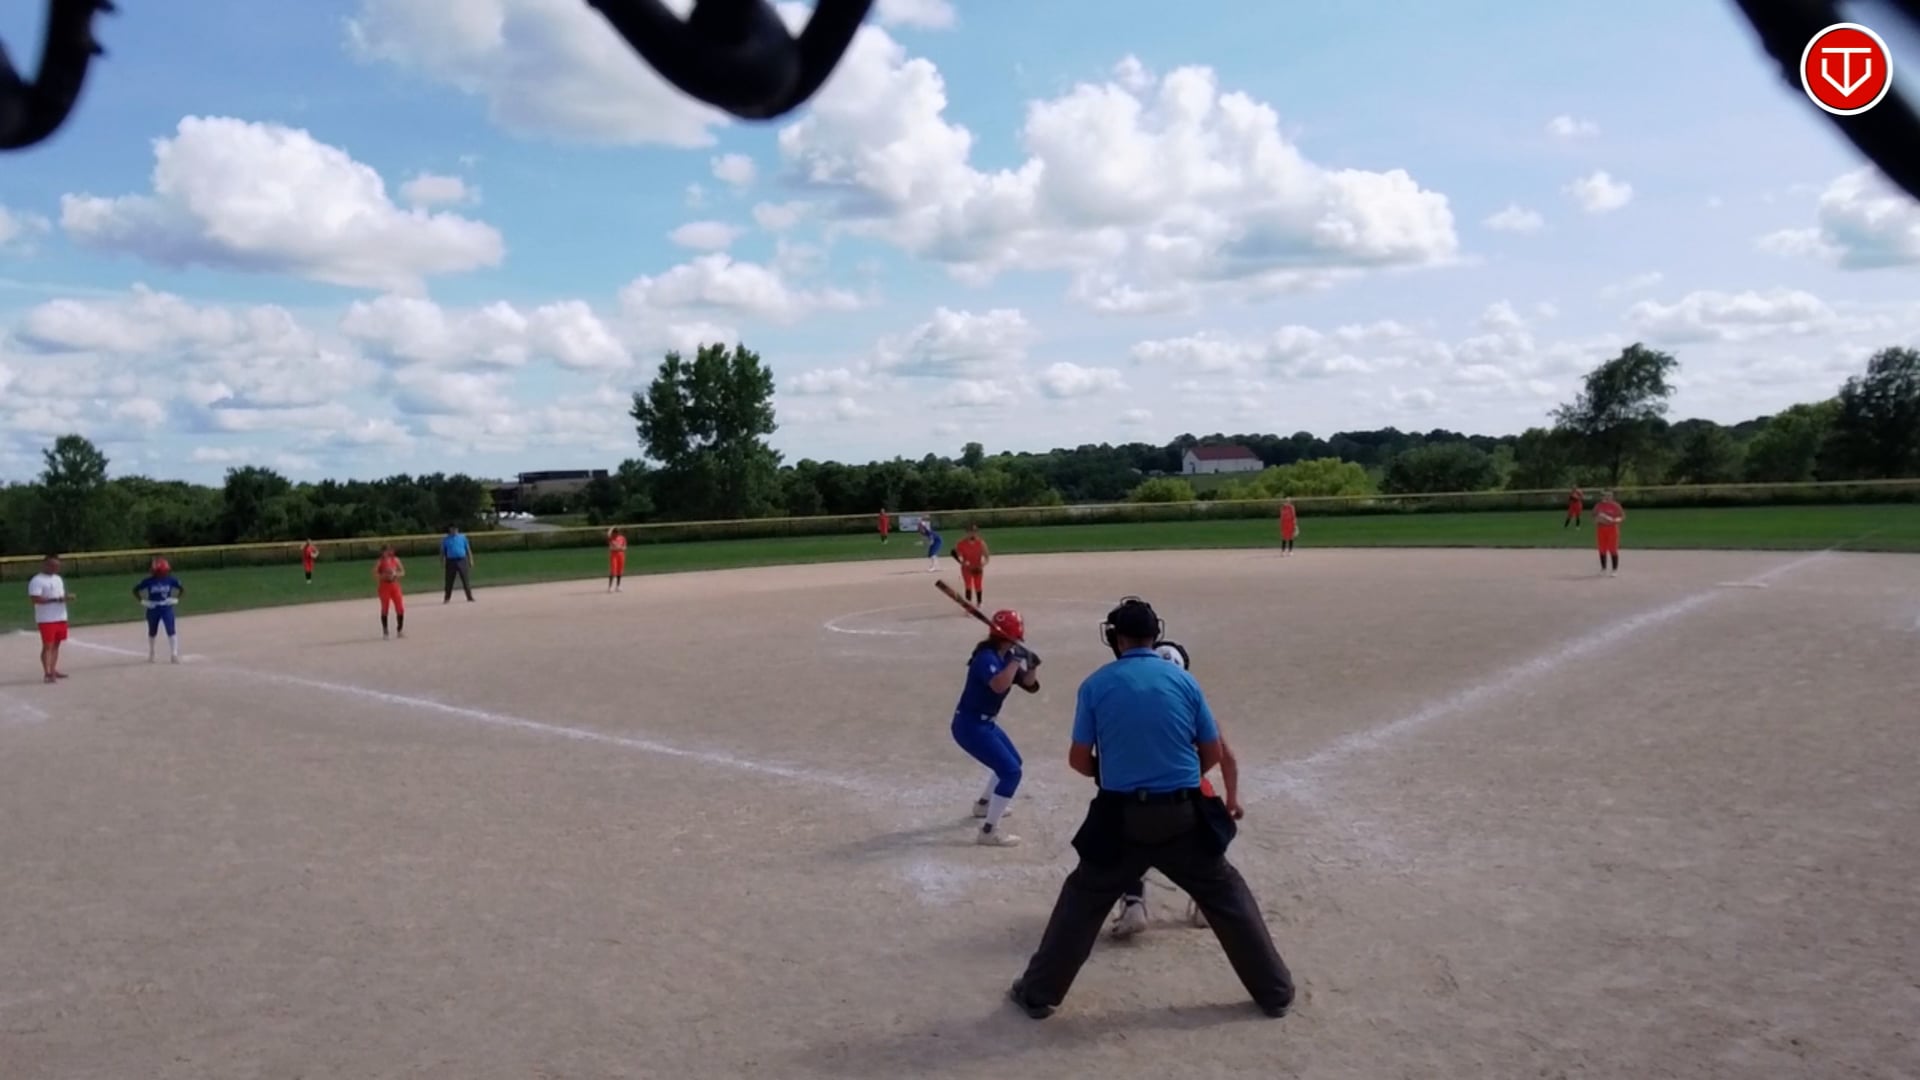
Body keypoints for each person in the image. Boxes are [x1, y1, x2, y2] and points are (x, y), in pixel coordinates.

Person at [1008, 596, 1294, 1021]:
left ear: (1116, 639)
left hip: (1120, 818)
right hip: (1184, 815)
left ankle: (1037, 994)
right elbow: (1213, 752)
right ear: (1154, 635)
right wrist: (1175, 776)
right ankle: (1275, 992)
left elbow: (1079, 760)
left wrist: (1116, 774)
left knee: (1082, 901)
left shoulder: (1096, 684)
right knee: (1227, 895)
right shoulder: (1184, 681)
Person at [1111, 638, 1243, 938]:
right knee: (1203, 847)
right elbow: (1226, 757)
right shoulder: (1194, 705)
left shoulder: (1133, 707)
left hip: (1142, 793)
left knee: (1127, 842)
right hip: (1193, 792)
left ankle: (1133, 902)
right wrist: (1232, 799)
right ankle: (1205, 905)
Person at [949, 608, 1041, 847]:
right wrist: (1017, 659)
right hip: (970, 726)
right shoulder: (986, 658)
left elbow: (1030, 685)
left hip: (984, 724)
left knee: (1013, 763)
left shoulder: (1005, 656)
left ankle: (983, 805)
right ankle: (988, 832)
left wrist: (1031, 666)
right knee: (1011, 773)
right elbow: (999, 685)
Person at [27, 554, 74, 684]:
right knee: (48, 645)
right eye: (53, 565)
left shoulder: (58, 579)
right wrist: (56, 600)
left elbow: (59, 595)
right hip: (46, 618)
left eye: (57, 566)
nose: (55, 568)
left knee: (56, 644)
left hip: (60, 616)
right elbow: (35, 599)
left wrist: (65, 598)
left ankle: (53, 669)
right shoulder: (37, 580)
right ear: (45, 565)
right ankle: (47, 672)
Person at [132, 556, 185, 664]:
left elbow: (182, 589)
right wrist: (143, 601)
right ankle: (152, 653)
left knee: (171, 630)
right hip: (153, 608)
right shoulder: (148, 581)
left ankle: (174, 654)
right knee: (152, 631)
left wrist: (176, 599)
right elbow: (135, 590)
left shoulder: (170, 580)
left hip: (166, 607)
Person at [952, 523, 990, 604]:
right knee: (968, 585)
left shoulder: (981, 543)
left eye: (975, 531)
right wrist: (962, 562)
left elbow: (987, 557)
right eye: (970, 531)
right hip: (967, 569)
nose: (973, 533)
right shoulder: (961, 544)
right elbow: (956, 555)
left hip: (977, 567)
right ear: (966, 532)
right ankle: (968, 604)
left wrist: (982, 564)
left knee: (978, 585)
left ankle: (979, 603)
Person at [375, 545, 407, 639]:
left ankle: (400, 630)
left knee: (400, 608)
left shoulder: (395, 560)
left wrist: (396, 574)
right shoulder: (380, 562)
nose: (387, 553)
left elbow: (403, 572)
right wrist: (383, 576)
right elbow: (374, 573)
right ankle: (385, 631)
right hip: (384, 586)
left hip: (394, 586)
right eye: (384, 551)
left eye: (388, 551)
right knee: (385, 608)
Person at [440, 524, 475, 603]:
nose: (454, 530)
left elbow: (468, 549)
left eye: (455, 529)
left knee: (465, 579)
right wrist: (442, 561)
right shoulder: (446, 539)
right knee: (449, 580)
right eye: (452, 529)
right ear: (450, 529)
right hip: (450, 561)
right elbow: (442, 552)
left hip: (462, 560)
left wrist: (470, 560)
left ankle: (469, 596)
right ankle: (447, 598)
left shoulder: (462, 537)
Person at [1594, 489, 1625, 576]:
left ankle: (1614, 570)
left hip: (1612, 529)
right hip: (1601, 529)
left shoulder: (1616, 505)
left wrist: (1616, 520)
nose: (1606, 497)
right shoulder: (1598, 505)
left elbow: (1622, 516)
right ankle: (1603, 569)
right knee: (1602, 549)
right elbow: (1593, 515)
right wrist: (1597, 519)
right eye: (1605, 495)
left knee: (1613, 549)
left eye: (1608, 495)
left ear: (1612, 497)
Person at [607, 527, 628, 592]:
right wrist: (619, 548)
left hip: (621, 555)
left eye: (617, 532)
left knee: (620, 571)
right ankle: (610, 587)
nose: (616, 534)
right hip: (614, 556)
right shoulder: (611, 538)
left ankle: (618, 586)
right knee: (613, 571)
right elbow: (611, 548)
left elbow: (625, 547)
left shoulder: (622, 538)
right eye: (614, 532)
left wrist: (619, 548)